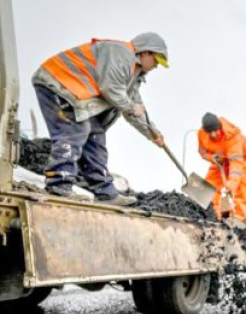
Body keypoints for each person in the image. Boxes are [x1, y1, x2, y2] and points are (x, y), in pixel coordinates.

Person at [32, 32, 169, 206]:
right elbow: (111, 89)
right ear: (146, 52)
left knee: (95, 135)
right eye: (156, 61)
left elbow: (134, 109)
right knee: (74, 131)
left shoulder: (134, 73)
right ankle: (59, 186)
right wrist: (131, 107)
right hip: (58, 82)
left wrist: (152, 133)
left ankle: (105, 193)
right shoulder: (120, 53)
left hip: (78, 97)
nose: (156, 66)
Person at [197, 113, 246, 220]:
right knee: (210, 183)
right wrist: (212, 158)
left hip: (243, 155)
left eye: (215, 131)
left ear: (220, 127)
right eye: (210, 132)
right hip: (222, 158)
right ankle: (212, 214)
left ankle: (238, 217)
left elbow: (236, 164)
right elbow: (202, 152)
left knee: (240, 183)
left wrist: (231, 184)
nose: (213, 134)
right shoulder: (201, 134)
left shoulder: (231, 135)